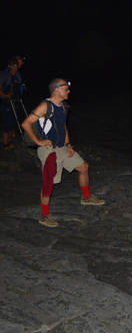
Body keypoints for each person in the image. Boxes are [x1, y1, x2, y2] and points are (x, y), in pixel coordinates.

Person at [21, 78, 105, 227]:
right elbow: (25, 123)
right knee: (48, 183)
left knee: (84, 167)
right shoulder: (45, 106)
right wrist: (38, 141)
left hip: (63, 148)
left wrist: (68, 144)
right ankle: (45, 215)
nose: (68, 91)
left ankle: (86, 197)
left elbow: (63, 126)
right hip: (49, 150)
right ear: (57, 89)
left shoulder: (63, 106)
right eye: (66, 89)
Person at [0, 57, 25, 149]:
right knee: (6, 123)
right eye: (12, 65)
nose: (14, 67)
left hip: (16, 102)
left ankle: (10, 141)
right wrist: (5, 95)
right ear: (9, 66)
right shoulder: (6, 75)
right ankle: (5, 144)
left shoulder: (17, 75)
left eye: (15, 65)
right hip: (7, 102)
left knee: (13, 122)